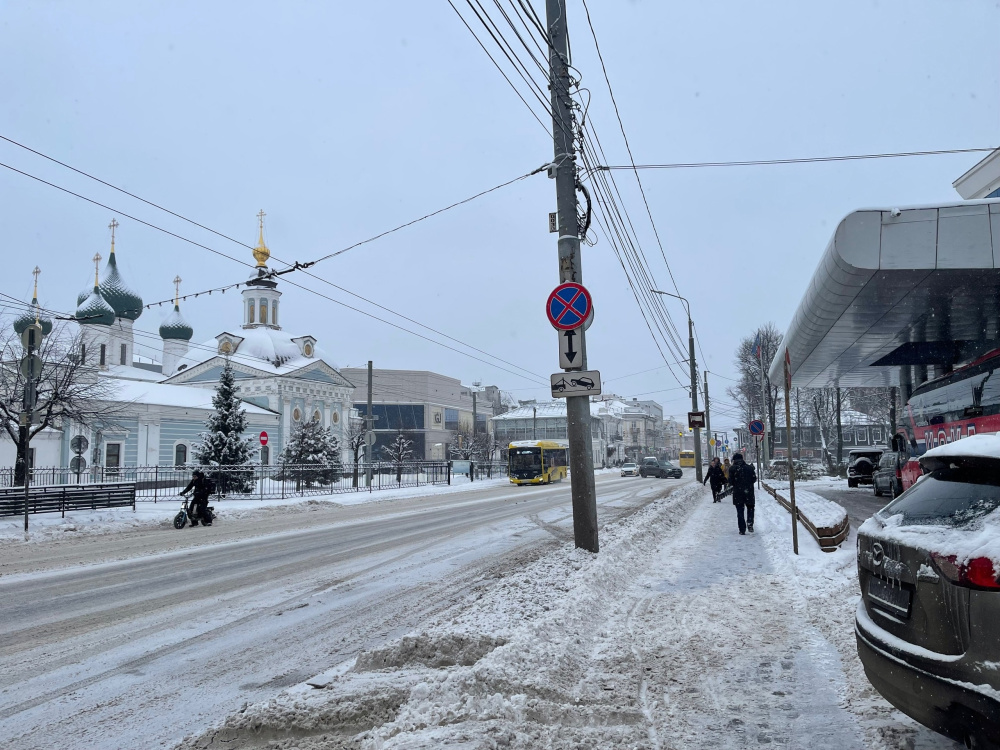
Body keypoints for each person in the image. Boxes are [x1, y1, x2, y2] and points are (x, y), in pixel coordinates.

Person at [728, 452, 756, 535]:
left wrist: (737, 483)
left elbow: (730, 481)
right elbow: (754, 479)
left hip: (738, 492)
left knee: (740, 511)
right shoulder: (749, 468)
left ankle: (742, 529)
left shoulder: (732, 469)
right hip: (749, 491)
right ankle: (750, 522)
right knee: (750, 508)